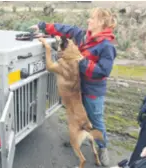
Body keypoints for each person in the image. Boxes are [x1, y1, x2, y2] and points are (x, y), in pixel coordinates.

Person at [30, 7, 117, 166]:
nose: (88, 21)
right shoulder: (82, 35)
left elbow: (103, 72)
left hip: (92, 91)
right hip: (75, 87)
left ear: (101, 23)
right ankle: (76, 138)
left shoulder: (107, 46)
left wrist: (80, 60)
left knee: (96, 120)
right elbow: (64, 29)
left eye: (92, 18)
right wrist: (42, 26)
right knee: (76, 116)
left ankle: (103, 148)